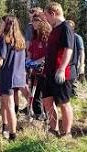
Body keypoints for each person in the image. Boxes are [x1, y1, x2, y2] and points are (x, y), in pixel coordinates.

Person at [43, 2, 74, 138]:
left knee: (64, 103)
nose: (46, 19)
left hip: (61, 73)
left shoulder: (65, 27)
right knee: (47, 101)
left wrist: (61, 69)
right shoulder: (54, 28)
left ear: (53, 14)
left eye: (46, 16)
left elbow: (68, 49)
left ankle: (67, 133)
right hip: (49, 73)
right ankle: (53, 130)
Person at [0, 15, 27, 140]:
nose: (0, 24)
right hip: (18, 77)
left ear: (7, 24)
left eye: (2, 22)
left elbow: (0, 61)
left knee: (8, 106)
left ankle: (12, 135)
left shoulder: (4, 38)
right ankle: (4, 127)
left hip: (7, 76)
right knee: (5, 103)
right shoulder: (20, 39)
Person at [27, 14, 52, 119]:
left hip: (44, 71)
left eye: (37, 21)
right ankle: (38, 116)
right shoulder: (34, 37)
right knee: (35, 94)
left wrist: (37, 62)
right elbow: (30, 52)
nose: (34, 23)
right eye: (33, 21)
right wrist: (29, 61)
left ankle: (47, 117)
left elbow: (48, 55)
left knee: (43, 94)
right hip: (34, 70)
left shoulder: (47, 37)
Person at [66, 20, 85, 91]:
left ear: (73, 28)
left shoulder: (77, 37)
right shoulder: (66, 36)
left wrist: (81, 65)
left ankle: (74, 96)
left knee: (74, 83)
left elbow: (82, 51)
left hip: (75, 62)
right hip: (68, 62)